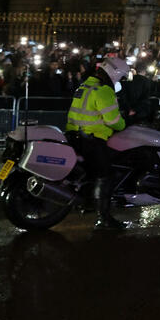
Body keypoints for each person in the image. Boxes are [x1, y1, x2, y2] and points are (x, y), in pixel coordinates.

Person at [66, 56, 130, 229]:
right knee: (105, 175)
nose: (121, 80)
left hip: (75, 135)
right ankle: (104, 219)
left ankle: (86, 202)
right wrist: (124, 123)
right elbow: (113, 121)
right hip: (91, 139)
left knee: (93, 172)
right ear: (114, 74)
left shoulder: (86, 85)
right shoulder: (103, 90)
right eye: (121, 76)